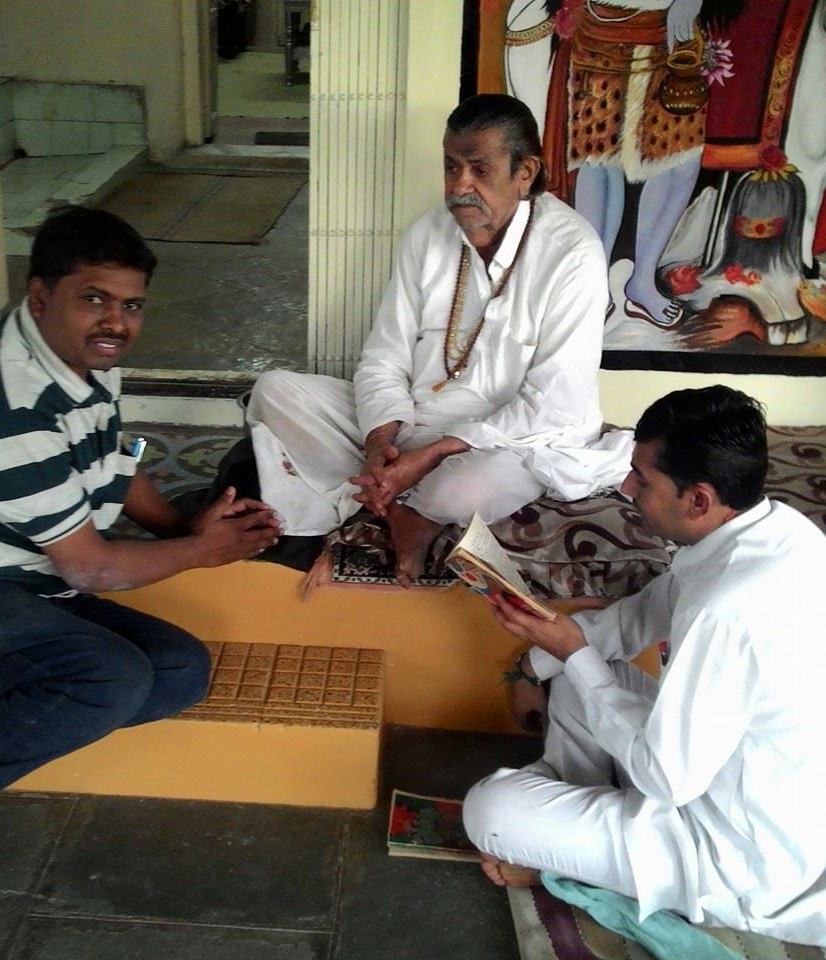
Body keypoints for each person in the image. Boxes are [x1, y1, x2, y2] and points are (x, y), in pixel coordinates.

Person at [0, 206, 281, 895]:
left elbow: (115, 453)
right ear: (40, 297)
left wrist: (180, 525)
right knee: (107, 678)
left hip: (25, 583)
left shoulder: (79, 358)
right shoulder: (7, 413)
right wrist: (201, 549)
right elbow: (92, 567)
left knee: (179, 670)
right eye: (94, 299)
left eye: (131, 305)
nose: (116, 322)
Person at [463, 385, 826, 946]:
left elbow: (668, 778)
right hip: (718, 777)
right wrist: (537, 662)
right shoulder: (771, 532)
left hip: (729, 856)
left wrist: (573, 655)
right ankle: (576, 839)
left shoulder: (726, 611)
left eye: (642, 478)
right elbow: (641, 615)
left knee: (490, 810)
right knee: (581, 678)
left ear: (698, 499)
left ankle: (570, 851)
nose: (626, 488)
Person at [247, 93, 631, 586]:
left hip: (506, 442)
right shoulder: (427, 236)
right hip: (413, 424)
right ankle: (392, 495)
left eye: (479, 170)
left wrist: (432, 454)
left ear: (525, 172)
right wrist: (380, 443)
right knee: (275, 391)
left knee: (465, 488)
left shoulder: (572, 254)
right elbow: (383, 358)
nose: (459, 186)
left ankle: (395, 503)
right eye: (452, 167)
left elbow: (554, 404)